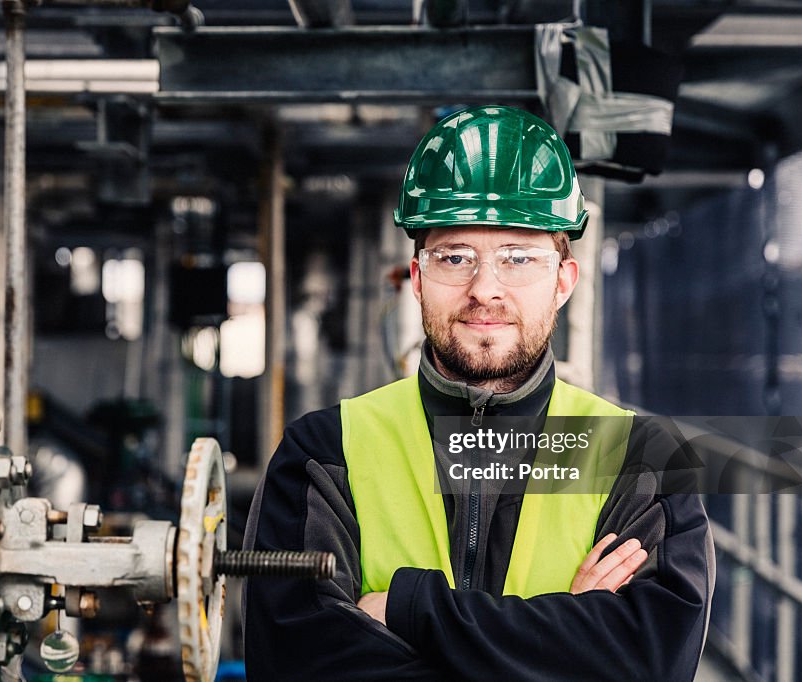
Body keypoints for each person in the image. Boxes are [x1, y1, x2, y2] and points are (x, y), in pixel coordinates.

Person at [242, 105, 714, 681]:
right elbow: (298, 666)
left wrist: (407, 609)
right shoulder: (323, 454)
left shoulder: (642, 463)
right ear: (417, 278)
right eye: (455, 257)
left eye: (518, 258)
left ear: (562, 281)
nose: (485, 288)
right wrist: (567, 632)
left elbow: (651, 664)